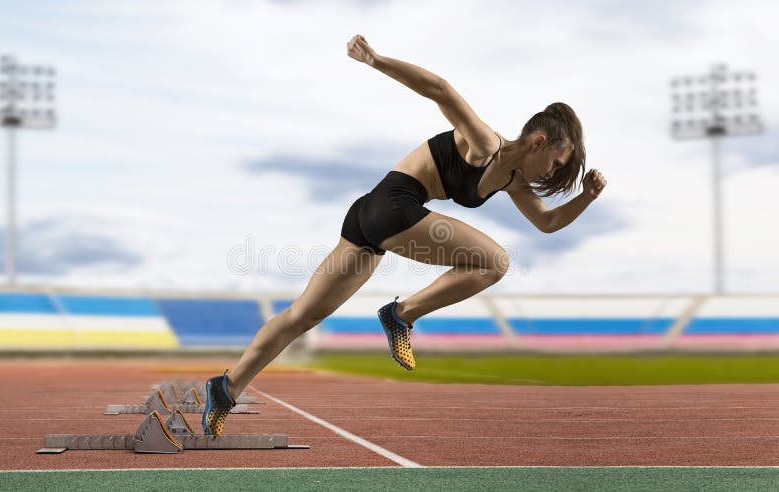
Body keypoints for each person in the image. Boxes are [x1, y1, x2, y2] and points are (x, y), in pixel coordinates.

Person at [201, 34, 607, 435]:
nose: (552, 174)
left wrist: (586, 198)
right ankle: (401, 315)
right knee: (495, 262)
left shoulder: (513, 182)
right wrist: (375, 60)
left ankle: (226, 388)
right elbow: (440, 90)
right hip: (394, 204)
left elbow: (547, 223)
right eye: (555, 163)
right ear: (539, 141)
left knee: (303, 315)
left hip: (370, 217)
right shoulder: (485, 145)